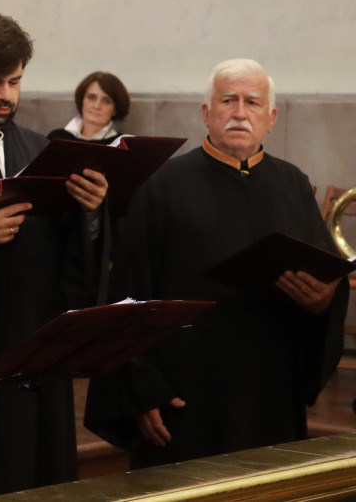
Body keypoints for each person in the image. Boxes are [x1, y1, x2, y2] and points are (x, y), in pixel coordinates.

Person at [85, 58, 349, 469]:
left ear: (271, 118)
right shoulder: (162, 187)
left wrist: (321, 304)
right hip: (186, 397)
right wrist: (141, 388)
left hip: (268, 393)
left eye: (252, 103)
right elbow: (127, 297)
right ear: (206, 113)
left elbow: (326, 286)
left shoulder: (293, 184)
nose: (240, 113)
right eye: (228, 100)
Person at [0, 13, 108, 497]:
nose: (6, 95)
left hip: (37, 346)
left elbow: (72, 259)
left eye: (15, 81)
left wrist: (91, 213)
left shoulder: (40, 149)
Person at [48, 71, 131, 144]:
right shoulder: (56, 138)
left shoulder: (122, 145)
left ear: (115, 110)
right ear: (82, 100)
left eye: (106, 101)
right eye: (92, 98)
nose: (97, 106)